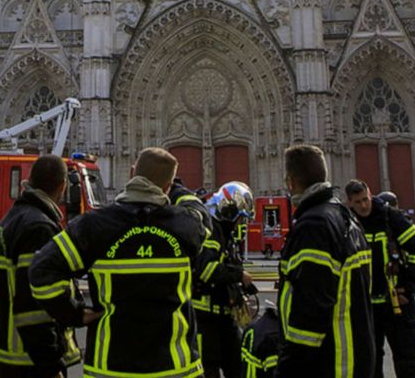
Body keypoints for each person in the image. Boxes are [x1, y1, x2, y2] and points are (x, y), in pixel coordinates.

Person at [29, 147, 206, 378]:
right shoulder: (186, 226)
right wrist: (178, 190)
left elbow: (41, 271)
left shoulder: (93, 226)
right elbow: (202, 214)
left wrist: (73, 314)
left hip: (110, 368)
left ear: (132, 173)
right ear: (167, 187)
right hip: (175, 368)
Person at [276, 145, 375, 378]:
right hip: (355, 357)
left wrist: (288, 368)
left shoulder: (314, 226)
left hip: (332, 362)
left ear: (290, 182)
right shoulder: (344, 217)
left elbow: (310, 312)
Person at [0, 154, 88, 378]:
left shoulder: (10, 220)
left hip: (9, 358)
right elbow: (33, 306)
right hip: (31, 362)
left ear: (29, 180)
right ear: (63, 186)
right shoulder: (38, 228)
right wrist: (51, 367)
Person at [345, 179, 415, 378]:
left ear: (370, 193)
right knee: (369, 364)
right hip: (366, 309)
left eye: (366, 199)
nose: (364, 205)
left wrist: (408, 288)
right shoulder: (347, 224)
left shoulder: (392, 219)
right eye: (358, 202)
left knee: (408, 360)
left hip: (397, 305)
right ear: (349, 202)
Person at [193, 181, 255, 378]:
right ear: (229, 212)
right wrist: (239, 275)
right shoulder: (213, 232)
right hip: (205, 319)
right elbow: (207, 269)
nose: (240, 223)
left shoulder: (226, 235)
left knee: (237, 366)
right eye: (240, 218)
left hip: (224, 316)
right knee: (208, 370)